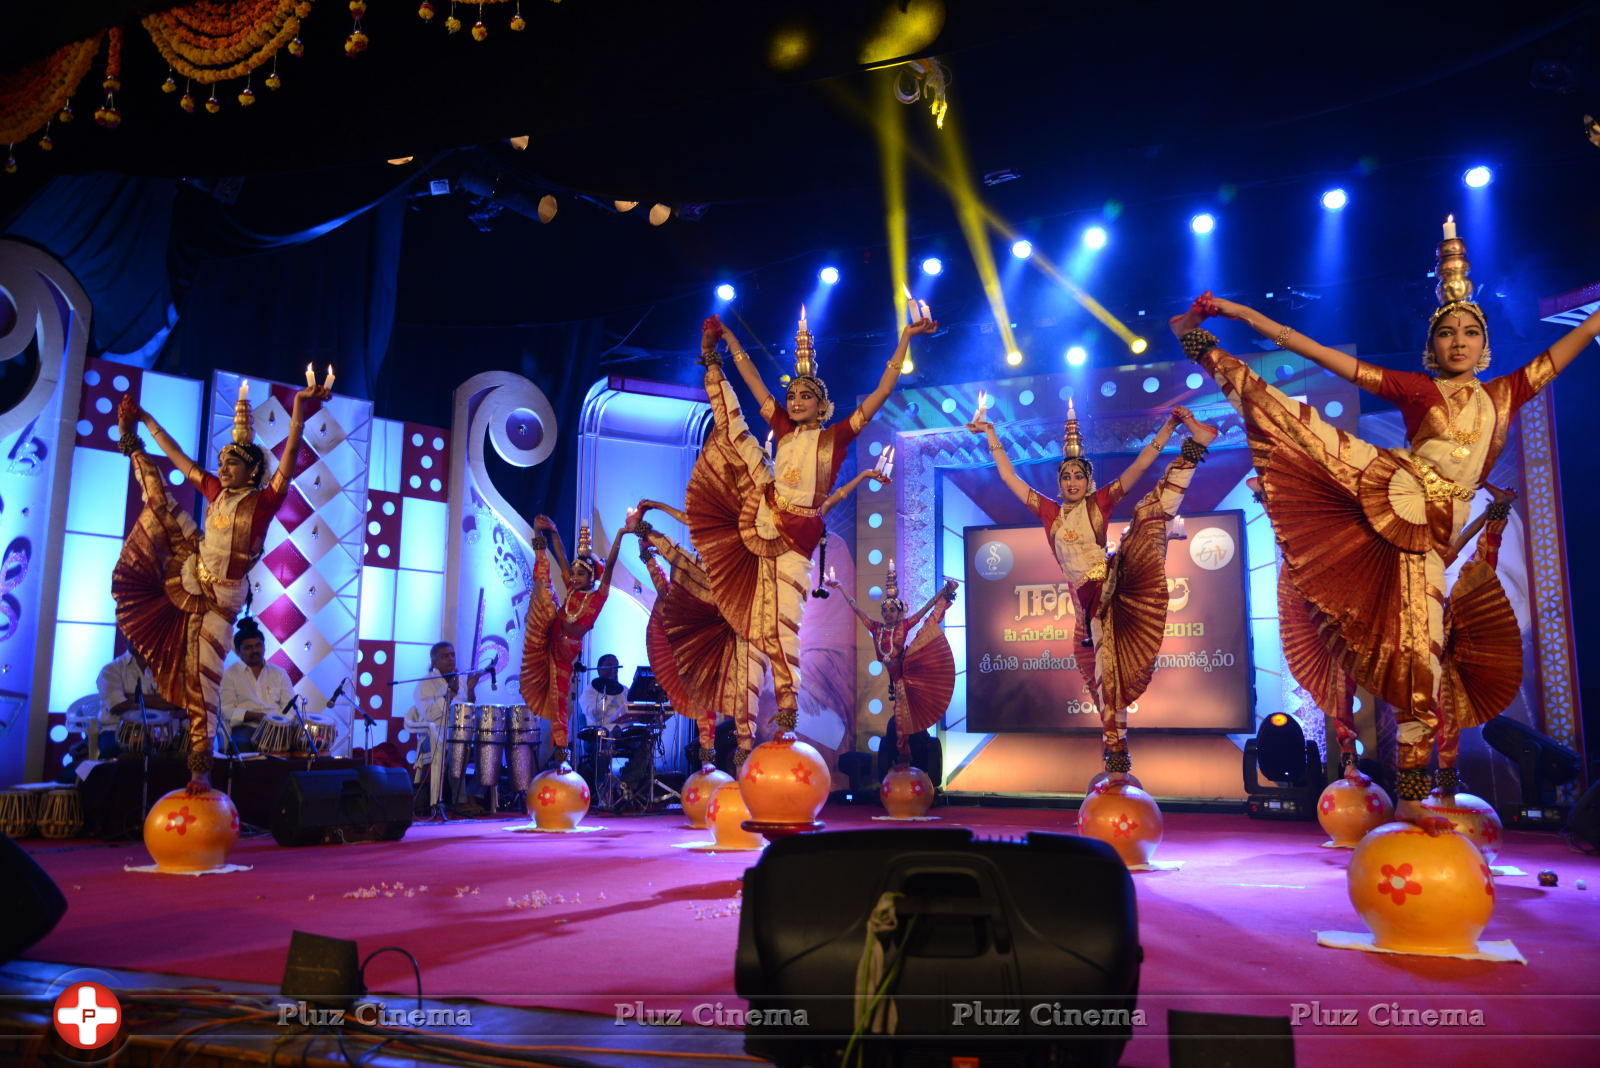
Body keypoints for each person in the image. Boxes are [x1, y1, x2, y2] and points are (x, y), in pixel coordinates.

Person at [1169, 222, 1596, 825]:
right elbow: (1319, 354)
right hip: (1399, 501)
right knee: (1292, 421)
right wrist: (1242, 313)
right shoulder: (1415, 388)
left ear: (1486, 344)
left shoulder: (1504, 395)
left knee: (1435, 667)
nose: (1459, 341)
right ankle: (1417, 805)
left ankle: (1428, 796)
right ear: (1431, 346)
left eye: (1470, 332)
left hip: (1443, 537)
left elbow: (1560, 354)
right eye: (1446, 332)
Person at [687, 310, 934, 739]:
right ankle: (712, 366)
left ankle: (786, 720)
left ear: (823, 405)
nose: (796, 401)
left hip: (796, 539)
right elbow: (756, 385)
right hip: (761, 519)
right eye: (794, 395)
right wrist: (728, 341)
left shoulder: (836, 437)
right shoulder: (781, 429)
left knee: (784, 629)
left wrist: (906, 339)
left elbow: (882, 390)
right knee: (736, 432)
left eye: (806, 396)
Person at [970, 400, 1217, 779]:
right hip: (1084, 610)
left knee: (1151, 514)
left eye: (1078, 477)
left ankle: (1117, 764)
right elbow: (1009, 479)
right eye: (1066, 477)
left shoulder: (1099, 505)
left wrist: (1168, 429)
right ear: (1059, 482)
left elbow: (1137, 468)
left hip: (1111, 592)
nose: (1072, 483)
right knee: (1101, 682)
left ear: (1089, 481)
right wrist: (991, 434)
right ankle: (1115, 763)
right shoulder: (1049, 512)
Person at [111, 376, 329, 795]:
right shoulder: (214, 491)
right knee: (158, 499)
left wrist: (299, 406)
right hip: (190, 566)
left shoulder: (265, 501)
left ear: (252, 470)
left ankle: (199, 772)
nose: (222, 468)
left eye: (232, 463)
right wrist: (146, 420)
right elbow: (176, 457)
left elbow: (292, 448)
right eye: (222, 461)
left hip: (221, 600)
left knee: (203, 683)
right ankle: (129, 443)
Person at [630, 502, 762, 767]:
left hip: (734, 636)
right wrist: (646, 544)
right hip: (700, 641)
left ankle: (744, 761)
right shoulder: (696, 568)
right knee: (705, 698)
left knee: (742, 699)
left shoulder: (740, 567)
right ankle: (708, 762)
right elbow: (671, 561)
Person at [826, 562, 957, 778]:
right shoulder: (875, 628)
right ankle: (902, 761)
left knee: (901, 719)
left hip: (908, 678)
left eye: (892, 610)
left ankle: (906, 761)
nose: (888, 613)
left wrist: (942, 593)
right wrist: (840, 587)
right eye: (884, 610)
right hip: (895, 682)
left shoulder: (904, 626)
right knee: (900, 719)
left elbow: (925, 609)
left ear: (899, 612)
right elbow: (856, 609)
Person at [519, 516, 623, 759]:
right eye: (573, 573)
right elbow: (563, 555)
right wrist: (552, 534)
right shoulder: (571, 589)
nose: (574, 577)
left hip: (567, 654)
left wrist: (620, 534)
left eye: (580, 575)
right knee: (543, 579)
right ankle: (560, 751)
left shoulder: (598, 597)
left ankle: (561, 750)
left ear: (591, 579)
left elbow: (609, 567)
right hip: (552, 642)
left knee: (561, 702)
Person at [410, 641, 486, 808]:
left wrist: (471, 691)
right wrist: (450, 694)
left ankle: (474, 794)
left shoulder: (461, 679)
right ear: (434, 662)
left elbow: (468, 709)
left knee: (489, 743)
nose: (451, 659)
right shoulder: (426, 683)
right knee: (457, 744)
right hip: (434, 736)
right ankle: (461, 801)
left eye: (452, 655)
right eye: (445, 656)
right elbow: (429, 714)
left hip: (462, 731)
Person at [219, 616, 294, 754]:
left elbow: (289, 709)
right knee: (243, 745)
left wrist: (276, 724)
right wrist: (254, 715)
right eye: (248, 647)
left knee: (299, 746)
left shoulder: (279, 673)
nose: (255, 651)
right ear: (238, 651)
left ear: (264, 647)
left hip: (277, 728)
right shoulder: (230, 674)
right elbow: (226, 710)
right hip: (245, 727)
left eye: (258, 645)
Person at [95, 646, 179, 758]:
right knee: (130, 753)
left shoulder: (166, 669)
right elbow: (118, 706)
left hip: (161, 733)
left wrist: (131, 697)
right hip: (118, 731)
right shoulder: (111, 669)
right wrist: (159, 702)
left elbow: (176, 703)